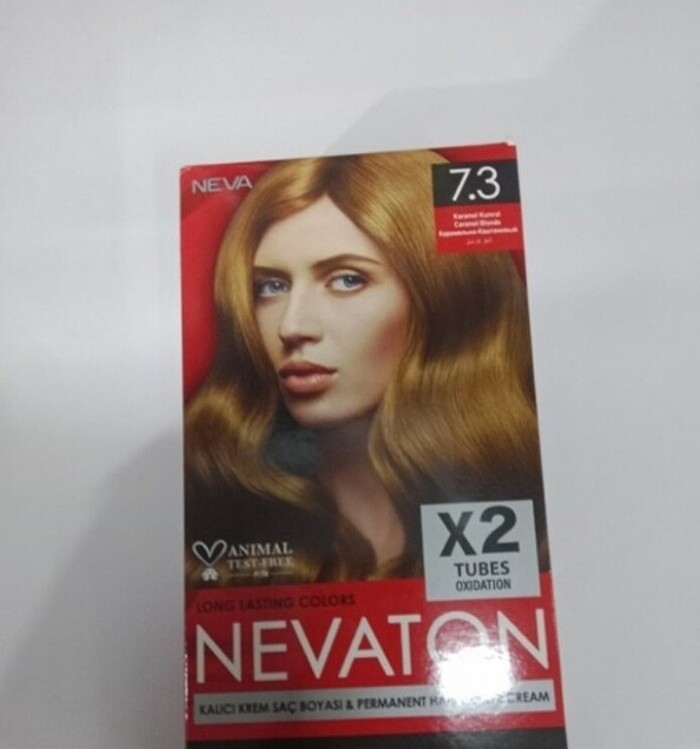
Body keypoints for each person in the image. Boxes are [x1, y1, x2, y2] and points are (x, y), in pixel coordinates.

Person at [185, 150, 546, 585]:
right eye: (271, 287)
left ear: (443, 299)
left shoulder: (536, 529)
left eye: (347, 280)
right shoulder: (215, 530)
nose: (292, 327)